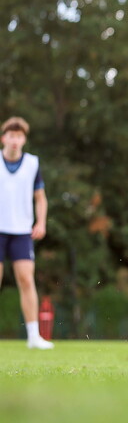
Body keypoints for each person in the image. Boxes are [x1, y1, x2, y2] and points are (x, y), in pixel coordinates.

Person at [0, 116, 54, 350]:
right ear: (4, 138)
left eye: (19, 136)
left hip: (22, 230)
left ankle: (33, 337)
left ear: (24, 140)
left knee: (26, 279)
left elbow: (40, 198)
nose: (15, 140)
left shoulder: (32, 163)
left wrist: (41, 222)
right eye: (11, 135)